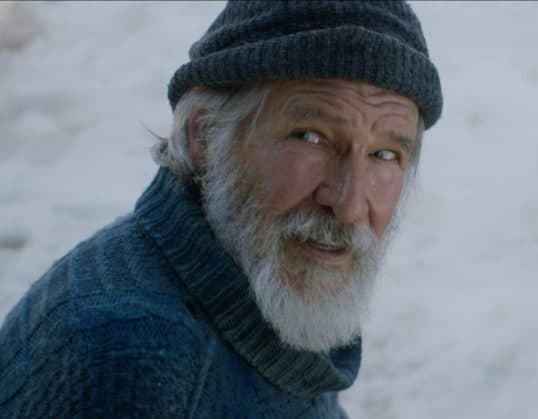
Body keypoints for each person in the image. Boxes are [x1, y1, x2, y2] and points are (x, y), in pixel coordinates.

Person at [0, 1, 441, 417]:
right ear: (205, 138)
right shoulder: (136, 359)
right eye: (311, 137)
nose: (347, 205)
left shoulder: (273, 293)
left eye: (384, 155)